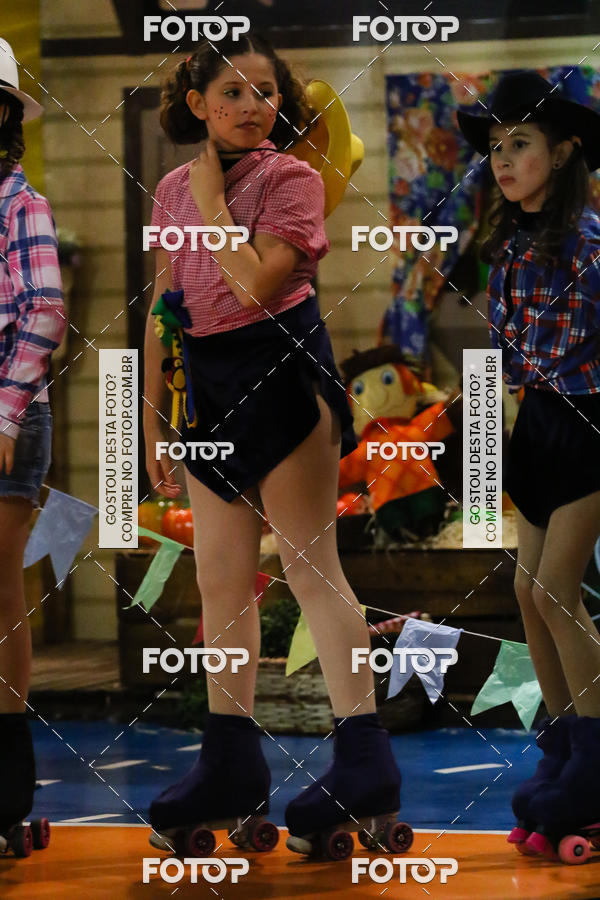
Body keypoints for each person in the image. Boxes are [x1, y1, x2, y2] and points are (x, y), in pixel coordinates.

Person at [143, 33, 404, 857]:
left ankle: (364, 761)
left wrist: (214, 203)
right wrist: (151, 420)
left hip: (283, 375)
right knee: (220, 584)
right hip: (205, 390)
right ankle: (230, 763)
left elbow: (255, 284)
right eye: (232, 92)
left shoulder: (293, 178)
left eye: (264, 92)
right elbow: (164, 306)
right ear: (198, 104)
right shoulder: (170, 191)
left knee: (310, 568)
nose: (251, 106)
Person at [457, 70, 600, 854]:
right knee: (526, 589)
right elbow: (503, 363)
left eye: (520, 143)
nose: (504, 160)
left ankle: (597, 759)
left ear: (565, 150)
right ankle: (566, 744)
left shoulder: (593, 247)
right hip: (538, 424)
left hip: (590, 421)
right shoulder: (508, 250)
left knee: (556, 591)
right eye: (495, 147)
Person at [0, 38, 66, 849]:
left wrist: (7, 414)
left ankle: (7, 788)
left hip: (8, 413)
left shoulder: (22, 203)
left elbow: (44, 311)